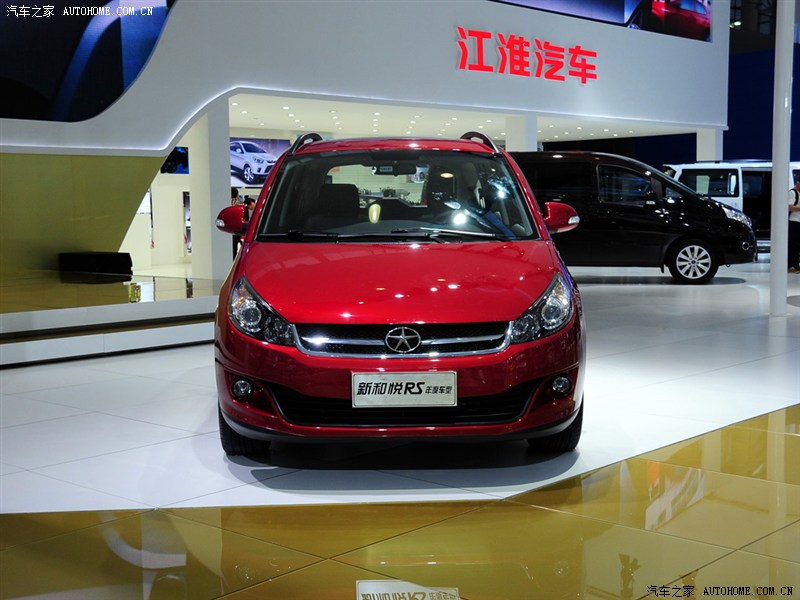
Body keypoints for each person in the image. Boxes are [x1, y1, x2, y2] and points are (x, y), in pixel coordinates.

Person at [789, 180, 800, 273]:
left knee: (798, 245)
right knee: (793, 244)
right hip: (794, 222)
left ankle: (796, 264)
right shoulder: (792, 193)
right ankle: (792, 265)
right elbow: (790, 207)